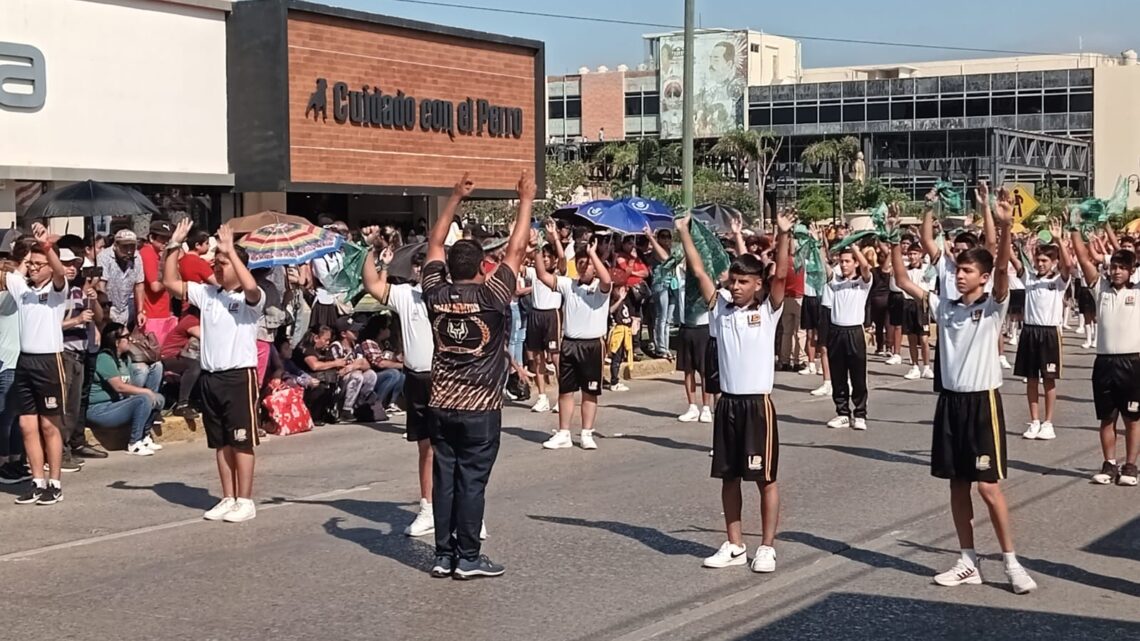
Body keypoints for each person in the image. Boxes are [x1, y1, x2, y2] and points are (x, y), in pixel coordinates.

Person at [889, 195, 1038, 595]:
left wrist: (1005, 227)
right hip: (951, 404)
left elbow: (1004, 267)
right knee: (957, 486)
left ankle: (1011, 562)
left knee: (988, 488)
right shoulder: (945, 306)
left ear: (983, 277)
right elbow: (904, 282)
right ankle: (968, 559)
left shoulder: (993, 307)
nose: (958, 274)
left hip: (982, 402)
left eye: (967, 270)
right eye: (957, 269)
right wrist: (891, 241)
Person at [419, 171, 533, 579]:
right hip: (480, 408)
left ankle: (442, 555)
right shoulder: (491, 295)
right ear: (482, 266)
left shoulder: (434, 292)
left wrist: (453, 197)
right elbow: (517, 249)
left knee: (445, 480)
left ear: (448, 266)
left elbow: (433, 242)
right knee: (472, 482)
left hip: (441, 403)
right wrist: (525, 200)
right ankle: (467, 558)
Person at [678, 209, 791, 574]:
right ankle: (735, 544)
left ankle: (767, 547)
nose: (736, 286)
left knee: (764, 479)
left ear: (757, 283)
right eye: (734, 280)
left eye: (743, 281)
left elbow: (784, 275)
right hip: (727, 404)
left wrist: (783, 235)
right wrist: (684, 233)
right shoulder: (721, 310)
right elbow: (698, 272)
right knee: (729, 476)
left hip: (757, 405)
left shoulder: (770, 310)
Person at [162, 219, 265, 523]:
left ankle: (245, 500)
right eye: (216, 262)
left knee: (241, 440)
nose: (217, 267)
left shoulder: (249, 300)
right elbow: (170, 281)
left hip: (238, 377)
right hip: (210, 377)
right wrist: (173, 245)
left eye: (224, 263)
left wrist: (231, 250)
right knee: (220, 442)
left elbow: (251, 289)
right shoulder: (207, 294)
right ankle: (228, 496)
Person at [362, 243, 437, 537]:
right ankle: (428, 508)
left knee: (453, 448)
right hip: (418, 380)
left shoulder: (449, 295)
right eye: (418, 266)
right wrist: (371, 253)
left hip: (446, 379)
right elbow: (372, 284)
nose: (422, 271)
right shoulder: (406, 295)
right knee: (425, 447)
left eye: (428, 266)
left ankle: (462, 510)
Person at [1070, 221, 1140, 486]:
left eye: (1123, 267)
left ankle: (1131, 465)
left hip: (1132, 362)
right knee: (1107, 417)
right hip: (1105, 362)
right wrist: (1075, 225)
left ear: (1132, 270)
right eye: (1114, 267)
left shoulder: (1138, 291)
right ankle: (1110, 463)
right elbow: (1081, 256)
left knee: (1132, 418)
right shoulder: (1101, 289)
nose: (1117, 271)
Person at [8, 224, 69, 505]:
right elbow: (13, 273)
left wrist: (46, 249)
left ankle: (54, 482)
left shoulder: (57, 292)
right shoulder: (22, 290)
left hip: (48, 360)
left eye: (37, 264)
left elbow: (58, 272)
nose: (32, 268)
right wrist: (29, 249)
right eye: (30, 264)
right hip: (26, 360)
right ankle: (36, 480)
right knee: (27, 426)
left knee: (49, 425)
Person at [536, 236, 613, 451]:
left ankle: (587, 433)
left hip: (592, 346)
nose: (583, 266)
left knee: (590, 392)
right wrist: (534, 251)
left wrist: (593, 254)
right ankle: (564, 433)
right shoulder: (568, 285)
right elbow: (543, 275)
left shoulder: (600, 288)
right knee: (565, 390)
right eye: (579, 262)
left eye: (587, 262)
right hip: (569, 344)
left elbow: (607, 280)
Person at [1014, 222, 1072, 441]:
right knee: (1031, 379)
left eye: (1045, 261)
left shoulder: (1058, 282)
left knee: (1048, 379)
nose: (1040, 264)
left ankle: (1048, 422)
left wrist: (1058, 240)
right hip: (1029, 332)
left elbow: (1069, 265)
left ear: (1053, 262)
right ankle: (1035, 420)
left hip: (1049, 334)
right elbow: (1013, 260)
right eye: (1038, 260)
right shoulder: (1028, 279)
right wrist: (1008, 236)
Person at [87, 322, 165, 455]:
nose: (131, 339)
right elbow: (119, 387)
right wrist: (146, 392)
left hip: (116, 405)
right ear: (116, 341)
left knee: (159, 399)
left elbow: (130, 387)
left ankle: (144, 436)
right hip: (99, 409)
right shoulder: (104, 358)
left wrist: (149, 395)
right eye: (126, 336)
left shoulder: (125, 359)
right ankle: (134, 443)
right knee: (143, 398)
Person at [58, 247, 104, 473]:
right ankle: (60, 451)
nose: (71, 268)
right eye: (66, 263)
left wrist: (93, 300)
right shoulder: (57, 292)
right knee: (65, 406)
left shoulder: (78, 291)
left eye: (74, 264)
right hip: (64, 352)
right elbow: (51, 324)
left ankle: (71, 445)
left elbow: (99, 317)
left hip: (80, 353)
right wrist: (76, 320)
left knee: (75, 406)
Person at [823, 243, 873, 430]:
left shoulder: (862, 283)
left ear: (854, 263)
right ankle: (842, 413)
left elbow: (866, 267)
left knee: (858, 375)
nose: (843, 265)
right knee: (838, 375)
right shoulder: (835, 282)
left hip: (855, 332)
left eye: (847, 261)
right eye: (841, 261)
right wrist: (816, 244)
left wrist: (854, 247)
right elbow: (823, 267)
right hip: (836, 332)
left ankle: (860, 413)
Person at [527, 222, 565, 414]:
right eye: (543, 258)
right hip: (535, 314)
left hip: (552, 315)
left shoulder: (559, 275)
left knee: (556, 358)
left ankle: (562, 396)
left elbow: (564, 259)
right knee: (536, 357)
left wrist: (554, 237)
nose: (546, 261)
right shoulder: (534, 272)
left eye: (549, 258)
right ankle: (542, 396)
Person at [899, 242, 935, 380]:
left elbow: (930, 287)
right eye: (910, 254)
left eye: (915, 254)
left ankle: (926, 366)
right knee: (911, 338)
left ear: (920, 255)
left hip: (922, 304)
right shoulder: (905, 271)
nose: (912, 257)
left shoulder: (928, 269)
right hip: (908, 304)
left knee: (924, 338)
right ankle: (914, 366)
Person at [97, 228, 146, 327]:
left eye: (132, 247)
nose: (129, 251)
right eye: (125, 247)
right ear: (115, 246)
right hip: (110, 308)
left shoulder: (137, 257)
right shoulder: (104, 256)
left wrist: (140, 311)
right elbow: (101, 285)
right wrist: (104, 309)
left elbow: (139, 284)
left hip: (127, 308)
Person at [139, 219, 178, 345]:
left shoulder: (158, 254)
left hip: (163, 312)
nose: (166, 242)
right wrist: (169, 281)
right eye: (162, 238)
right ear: (151, 238)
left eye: (168, 238)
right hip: (153, 314)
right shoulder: (147, 253)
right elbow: (155, 286)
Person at [161, 307, 202, 418]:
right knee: (194, 367)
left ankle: (197, 400)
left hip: (183, 355)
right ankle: (182, 405)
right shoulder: (191, 320)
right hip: (169, 356)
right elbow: (207, 338)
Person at [606, 285, 634, 392]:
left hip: (625, 332)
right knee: (616, 358)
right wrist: (620, 299)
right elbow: (610, 311)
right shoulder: (614, 301)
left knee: (621, 357)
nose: (624, 291)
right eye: (621, 289)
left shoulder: (625, 303)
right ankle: (614, 382)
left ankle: (616, 379)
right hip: (617, 333)